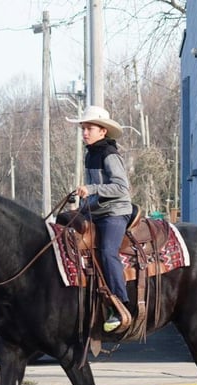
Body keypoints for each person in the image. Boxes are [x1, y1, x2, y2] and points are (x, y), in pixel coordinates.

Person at [68, 106, 132, 332]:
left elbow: (122, 188)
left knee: (107, 251)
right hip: (96, 210)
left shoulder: (110, 154)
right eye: (83, 128)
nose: (84, 133)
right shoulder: (90, 154)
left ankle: (120, 305)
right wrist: (83, 203)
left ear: (103, 131)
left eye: (89, 128)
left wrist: (91, 188)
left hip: (115, 211)